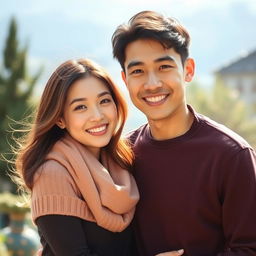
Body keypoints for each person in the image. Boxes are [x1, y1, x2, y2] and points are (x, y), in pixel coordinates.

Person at [111, 10, 256, 256]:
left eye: (164, 66)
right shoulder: (122, 155)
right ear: (125, 80)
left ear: (188, 70)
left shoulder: (231, 156)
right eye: (138, 71)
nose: (152, 83)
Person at [13, 58, 140, 255]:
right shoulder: (52, 173)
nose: (97, 116)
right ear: (60, 119)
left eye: (104, 101)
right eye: (80, 107)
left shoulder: (121, 165)